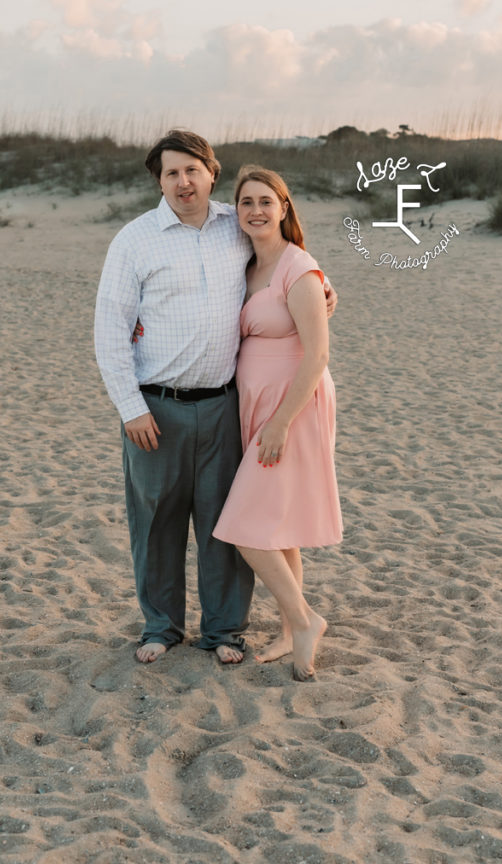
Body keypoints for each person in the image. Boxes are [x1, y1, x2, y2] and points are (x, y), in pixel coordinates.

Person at [94, 130, 336, 666]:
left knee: (221, 523)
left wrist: (324, 289)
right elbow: (109, 330)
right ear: (159, 181)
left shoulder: (237, 223)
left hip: (226, 405)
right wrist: (129, 406)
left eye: (192, 170)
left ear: (211, 173)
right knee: (155, 523)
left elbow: (289, 261)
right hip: (155, 408)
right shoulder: (134, 240)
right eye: (171, 173)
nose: (184, 182)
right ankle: (160, 627)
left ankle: (225, 631)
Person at [213, 165, 343, 681]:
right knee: (279, 520)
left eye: (267, 201)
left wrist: (281, 422)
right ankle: (291, 629)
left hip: (293, 408)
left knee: (244, 525)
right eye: (246, 202)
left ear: (284, 208)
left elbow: (317, 354)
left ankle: (307, 619)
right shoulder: (246, 265)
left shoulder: (299, 267)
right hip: (257, 407)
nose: (256, 211)